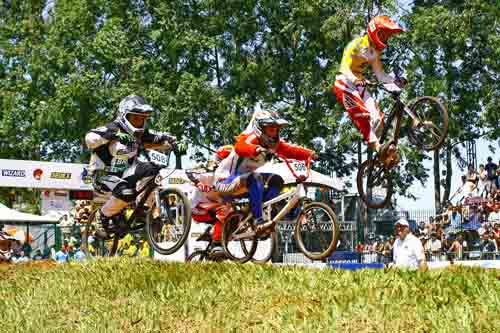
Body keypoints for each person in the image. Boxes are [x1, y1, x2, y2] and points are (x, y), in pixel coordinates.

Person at [85, 95, 177, 238]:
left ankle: (144, 209)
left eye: (142, 119)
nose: (139, 122)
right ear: (124, 116)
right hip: (104, 174)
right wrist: (113, 135)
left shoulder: (141, 134)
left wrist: (172, 141)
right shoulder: (113, 128)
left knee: (151, 168)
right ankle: (101, 216)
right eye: (135, 118)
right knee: (126, 192)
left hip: (125, 173)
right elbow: (89, 138)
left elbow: (159, 137)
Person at [213, 110, 316, 236]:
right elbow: (240, 146)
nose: (275, 134)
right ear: (260, 128)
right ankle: (258, 220)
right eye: (271, 129)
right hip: (224, 181)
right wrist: (255, 149)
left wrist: (310, 154)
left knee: (277, 180)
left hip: (244, 183)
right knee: (256, 178)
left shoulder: (274, 144)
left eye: (277, 130)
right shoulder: (251, 138)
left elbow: (291, 151)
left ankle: (258, 209)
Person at [333, 16, 405, 161]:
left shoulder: (375, 52)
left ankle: (383, 153)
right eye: (383, 34)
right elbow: (344, 67)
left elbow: (380, 75)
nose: (386, 38)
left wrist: (395, 81)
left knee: (377, 118)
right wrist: (355, 79)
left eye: (387, 35)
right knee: (363, 114)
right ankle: (378, 148)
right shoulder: (356, 44)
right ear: (374, 31)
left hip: (360, 85)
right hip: (344, 82)